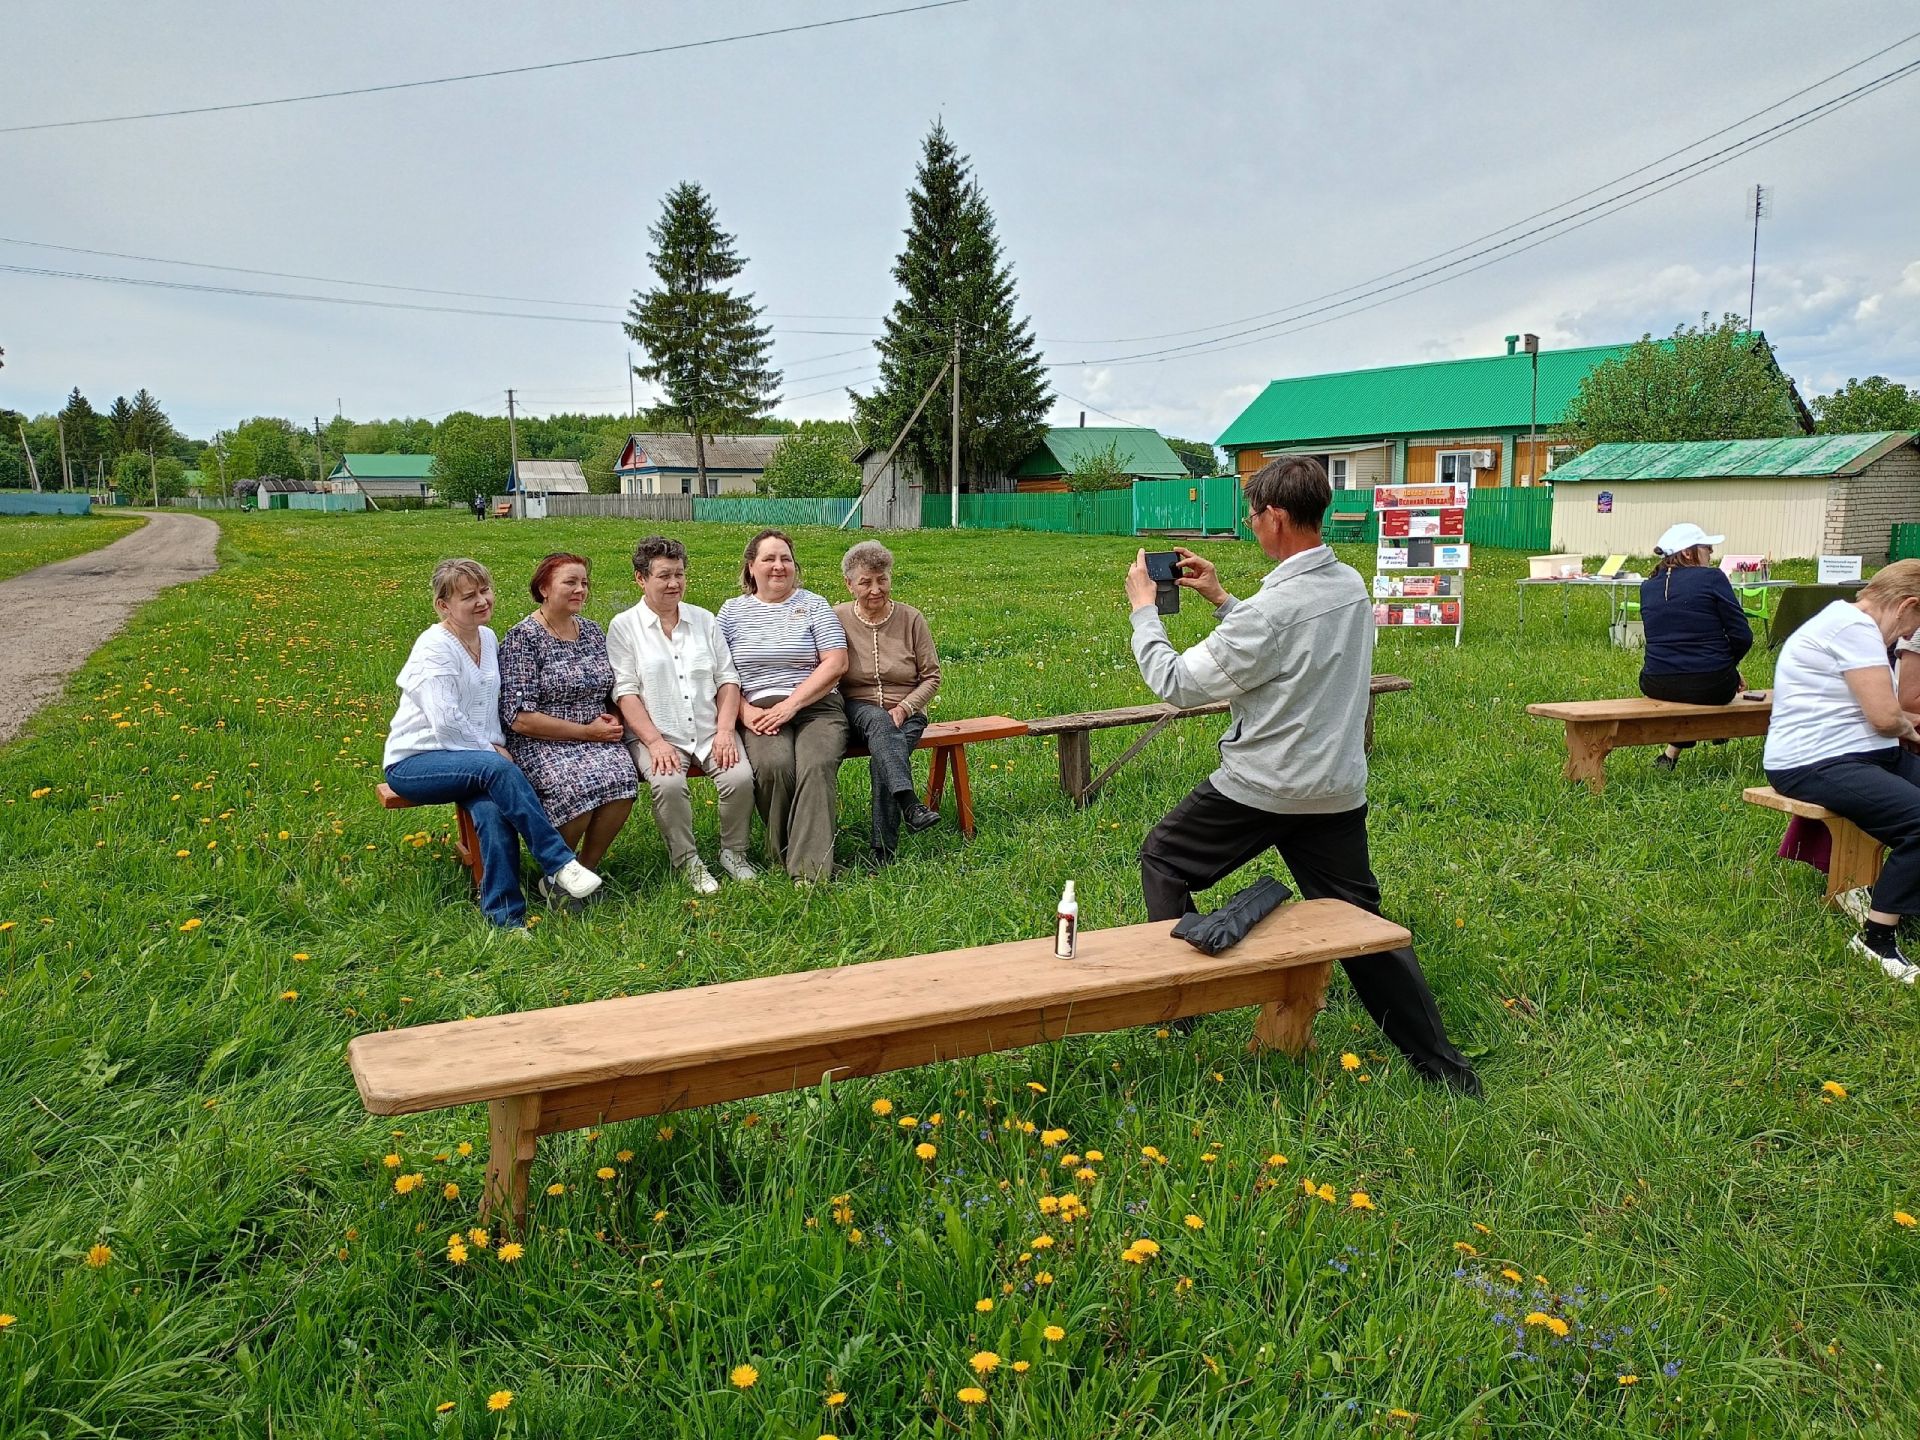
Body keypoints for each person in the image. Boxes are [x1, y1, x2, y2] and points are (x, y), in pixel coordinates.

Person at [1127, 456, 1480, 1093]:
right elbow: (1287, 647)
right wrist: (1222, 599)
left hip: (1262, 787)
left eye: (1252, 514)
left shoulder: (1271, 612)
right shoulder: (1349, 585)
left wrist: (1144, 611)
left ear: (1276, 517)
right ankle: (1446, 1070)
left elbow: (1176, 683)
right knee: (1363, 928)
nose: (1249, 524)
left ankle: (1188, 1005)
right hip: (1335, 790)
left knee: (1164, 858)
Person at [382, 558, 602, 928]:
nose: (483, 601)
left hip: (473, 762)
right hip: (417, 761)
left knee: (490, 812)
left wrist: (492, 751)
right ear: (443, 605)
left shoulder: (486, 637)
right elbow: (446, 722)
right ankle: (559, 862)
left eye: (485, 591)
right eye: (469, 596)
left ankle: (505, 917)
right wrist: (491, 751)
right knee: (497, 769)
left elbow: (488, 709)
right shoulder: (434, 648)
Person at [1762, 559, 1920, 981]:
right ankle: (1876, 940)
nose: (1909, 636)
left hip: (1862, 754)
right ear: (1907, 604)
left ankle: (1877, 893)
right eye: (1915, 625)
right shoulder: (1853, 628)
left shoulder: (1850, 623)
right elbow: (1885, 718)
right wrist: (1911, 732)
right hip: (1812, 761)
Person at [607, 536, 760, 895]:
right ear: (641, 579)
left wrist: (725, 730)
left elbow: (727, 679)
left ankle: (734, 853)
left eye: (679, 574)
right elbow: (625, 692)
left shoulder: (704, 620)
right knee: (669, 784)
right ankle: (688, 861)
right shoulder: (624, 626)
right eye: (663, 576)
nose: (674, 583)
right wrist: (654, 742)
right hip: (658, 733)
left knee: (740, 779)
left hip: (709, 729)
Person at [496, 554, 638, 899]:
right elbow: (519, 717)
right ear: (544, 588)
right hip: (541, 739)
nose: (580, 589)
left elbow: (606, 687)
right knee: (577, 788)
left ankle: (583, 873)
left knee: (623, 778)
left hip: (594, 734)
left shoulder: (591, 631)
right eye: (570, 582)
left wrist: (612, 716)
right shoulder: (523, 639)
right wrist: (586, 732)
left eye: (584, 583)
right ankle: (556, 870)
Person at [717, 530, 849, 881]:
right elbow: (717, 672)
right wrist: (744, 712)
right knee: (773, 767)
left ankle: (809, 873)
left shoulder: (814, 605)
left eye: (786, 559)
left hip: (817, 705)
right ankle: (785, 853)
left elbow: (836, 662)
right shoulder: (731, 612)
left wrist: (791, 705)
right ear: (751, 567)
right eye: (769, 559)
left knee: (816, 764)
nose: (779, 566)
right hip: (759, 710)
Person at [834, 539, 943, 863]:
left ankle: (882, 851)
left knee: (884, 756)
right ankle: (910, 805)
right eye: (865, 582)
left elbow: (932, 676)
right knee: (878, 721)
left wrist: (906, 707)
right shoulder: (836, 617)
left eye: (882, 579)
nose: (875, 589)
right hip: (858, 710)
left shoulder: (912, 618)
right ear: (849, 584)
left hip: (907, 712)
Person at [1638, 522, 1754, 771]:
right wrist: (1727, 668)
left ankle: (1669, 756)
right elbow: (1742, 635)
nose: (1711, 552)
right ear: (1688, 553)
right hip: (1712, 684)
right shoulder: (1712, 578)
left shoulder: (1648, 586)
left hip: (1656, 683)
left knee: (1689, 688)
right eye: (1706, 547)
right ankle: (1717, 729)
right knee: (1699, 687)